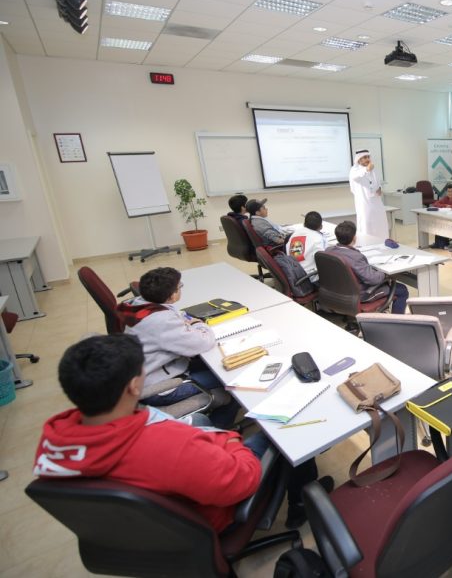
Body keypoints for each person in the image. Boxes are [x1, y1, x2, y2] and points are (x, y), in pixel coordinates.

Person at [33, 335, 331, 531]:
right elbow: (243, 480)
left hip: (136, 529)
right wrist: (227, 439)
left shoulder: (55, 439)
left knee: (201, 419)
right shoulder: (170, 448)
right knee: (282, 426)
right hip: (204, 519)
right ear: (134, 386)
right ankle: (301, 504)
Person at [116, 267, 228, 418]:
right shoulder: (161, 321)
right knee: (229, 382)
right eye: (179, 286)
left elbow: (175, 314)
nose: (181, 288)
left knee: (214, 364)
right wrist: (198, 324)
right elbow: (204, 342)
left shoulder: (139, 305)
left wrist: (183, 320)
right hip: (160, 388)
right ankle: (220, 425)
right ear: (172, 295)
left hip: (149, 373)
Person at [325, 220, 409, 314]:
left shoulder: (328, 250)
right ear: (354, 237)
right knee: (402, 290)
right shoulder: (356, 257)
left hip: (337, 291)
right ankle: (397, 320)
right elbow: (373, 279)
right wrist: (385, 273)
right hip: (362, 295)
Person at [349, 149, 389, 239]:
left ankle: (382, 241)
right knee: (366, 224)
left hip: (376, 202)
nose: (367, 159)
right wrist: (367, 169)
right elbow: (356, 177)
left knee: (380, 223)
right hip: (364, 204)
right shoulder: (354, 170)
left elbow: (377, 182)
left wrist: (379, 188)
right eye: (365, 157)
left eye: (368, 157)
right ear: (359, 159)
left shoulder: (372, 170)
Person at [286, 211, 335, 275]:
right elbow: (323, 260)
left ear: (304, 224)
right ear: (321, 226)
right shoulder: (318, 238)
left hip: (293, 272)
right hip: (310, 276)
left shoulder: (293, 235)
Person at [430, 183, 452, 251]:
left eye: (451, 191)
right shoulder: (446, 198)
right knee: (440, 223)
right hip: (449, 217)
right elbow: (436, 204)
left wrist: (449, 206)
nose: (450, 193)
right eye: (448, 191)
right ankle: (439, 243)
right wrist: (445, 205)